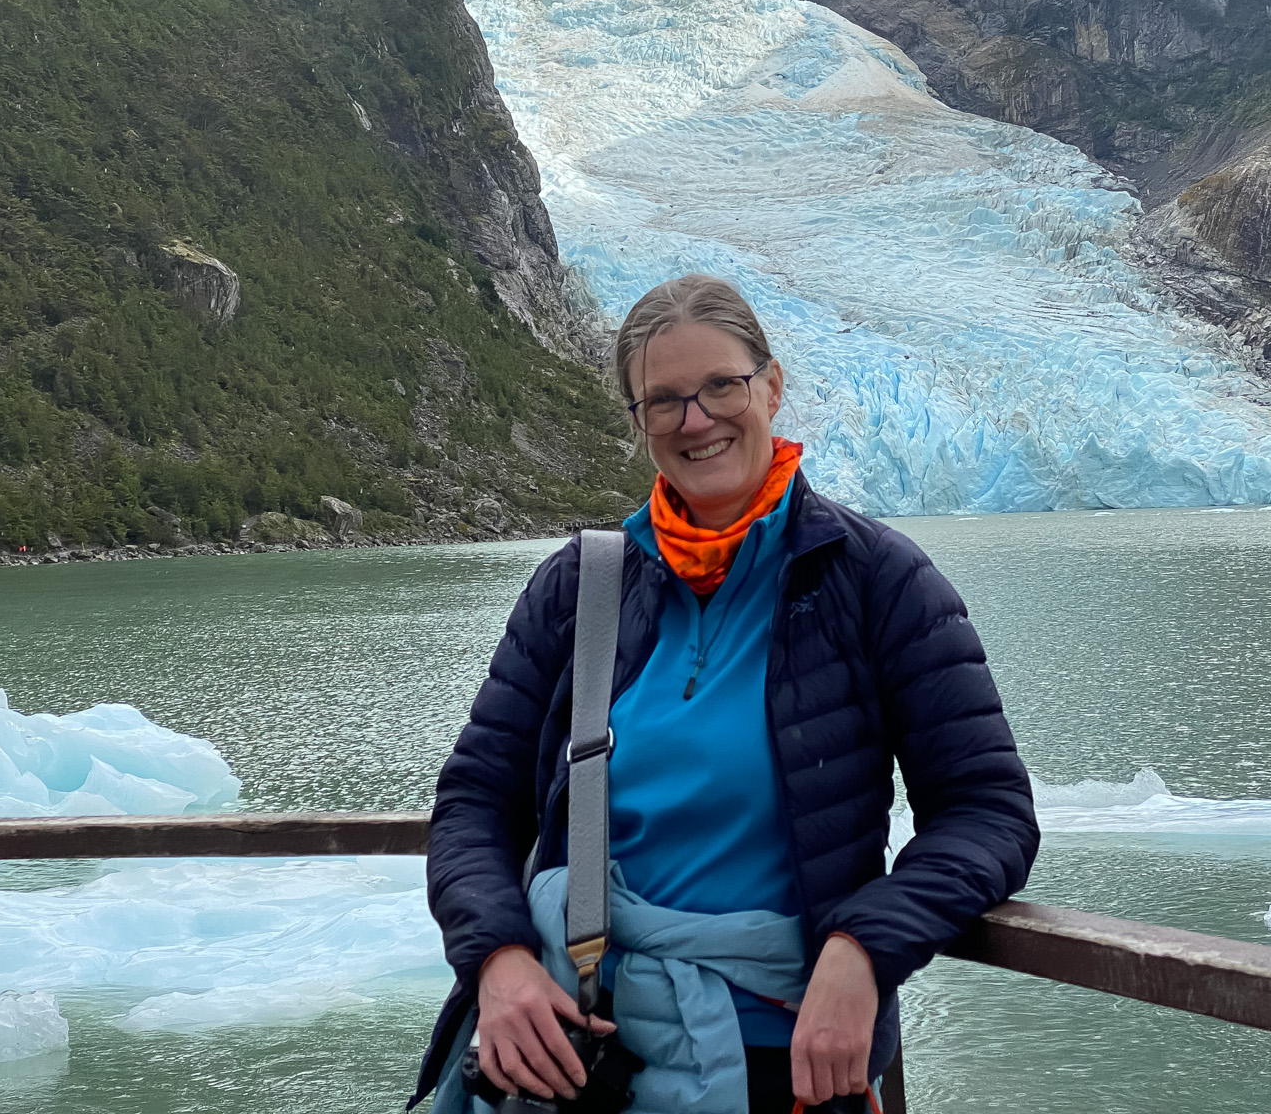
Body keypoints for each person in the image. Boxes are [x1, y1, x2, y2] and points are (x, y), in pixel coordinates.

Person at [417, 275, 1038, 1113]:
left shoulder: (876, 580)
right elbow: (475, 802)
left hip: (789, 1057)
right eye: (663, 400)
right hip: (579, 1046)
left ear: (771, 387)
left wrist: (863, 949)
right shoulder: (581, 589)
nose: (696, 420)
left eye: (721, 386)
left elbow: (988, 811)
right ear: (638, 425)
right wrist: (497, 958)